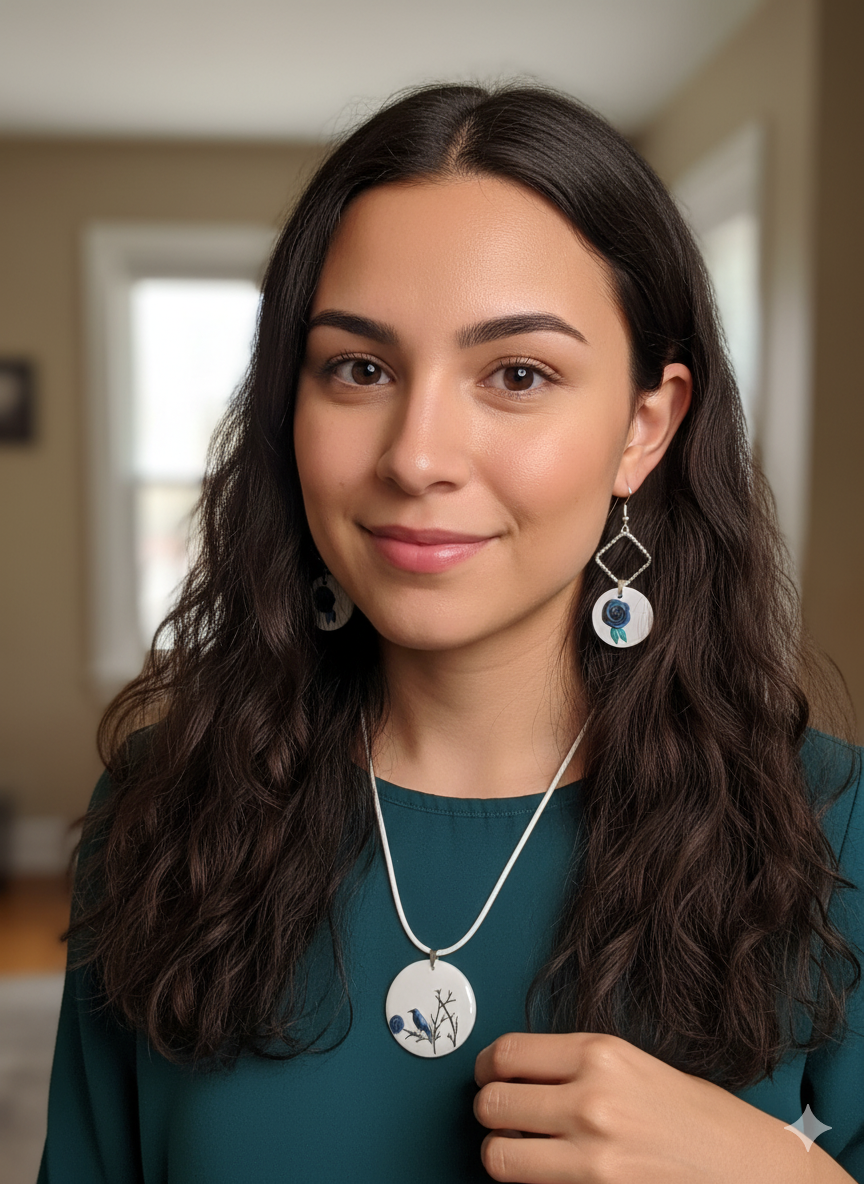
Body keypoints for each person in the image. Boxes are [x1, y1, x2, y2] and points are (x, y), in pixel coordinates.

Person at [39, 83, 863, 1183]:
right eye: (360, 368)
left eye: (517, 374)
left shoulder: (834, 829)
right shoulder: (160, 808)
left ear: (643, 426)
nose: (416, 453)